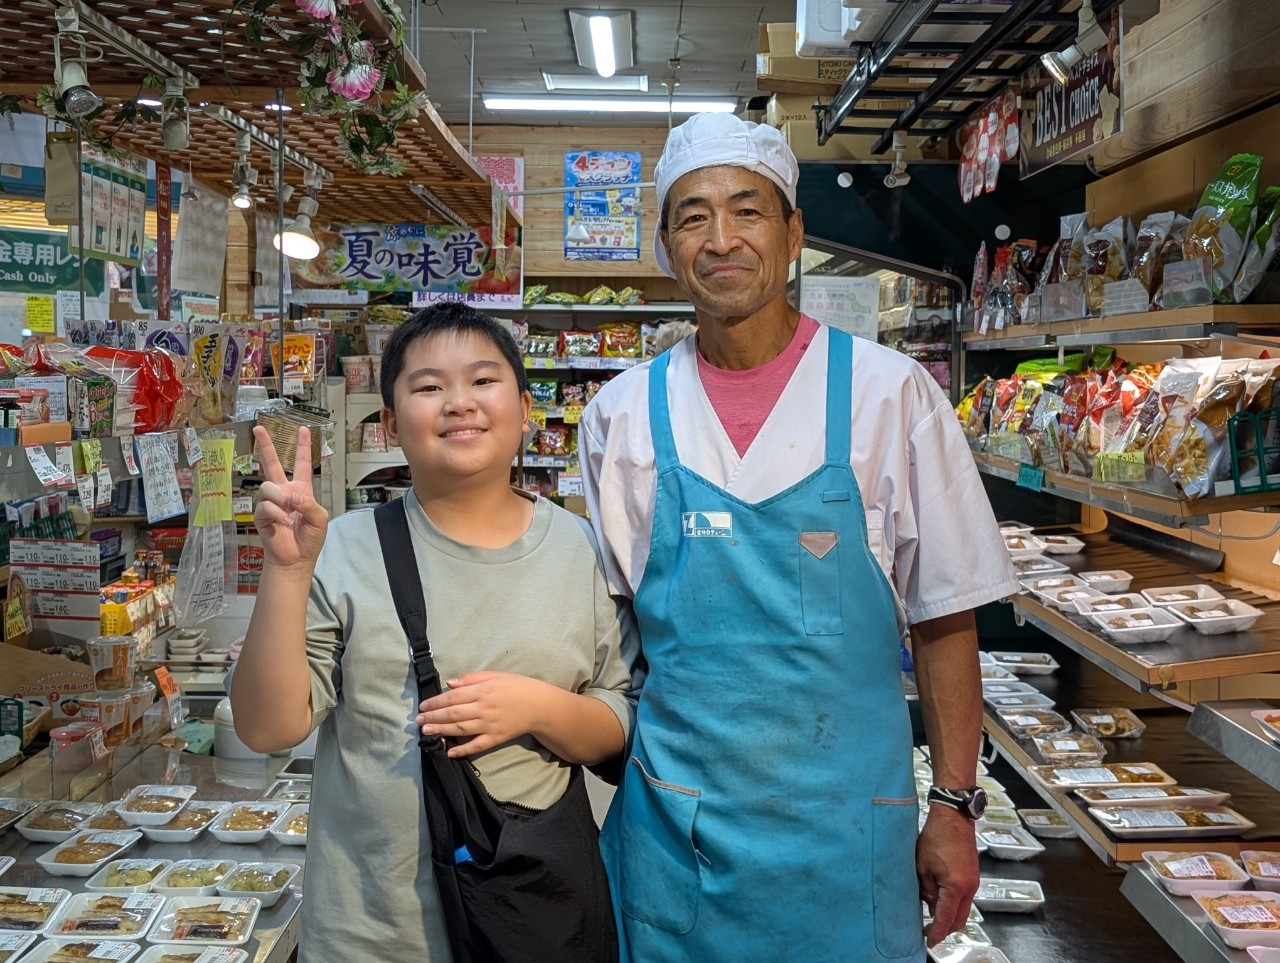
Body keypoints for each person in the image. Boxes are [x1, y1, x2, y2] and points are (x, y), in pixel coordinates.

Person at [580, 113, 1020, 961]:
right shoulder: (622, 416)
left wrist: (956, 807)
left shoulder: (890, 396)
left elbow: (945, 617)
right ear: (667, 245)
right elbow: (609, 635)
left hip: (847, 837)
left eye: (747, 211)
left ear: (793, 234)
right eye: (693, 216)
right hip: (679, 835)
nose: (721, 239)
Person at [232, 302, 639, 962]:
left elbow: (618, 722)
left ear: (525, 407)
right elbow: (267, 727)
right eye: (427, 386)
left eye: (483, 380)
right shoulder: (344, 548)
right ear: (390, 423)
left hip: (530, 925)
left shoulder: (580, 548)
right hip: (371, 934)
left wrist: (536, 707)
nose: (458, 403)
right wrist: (285, 572)